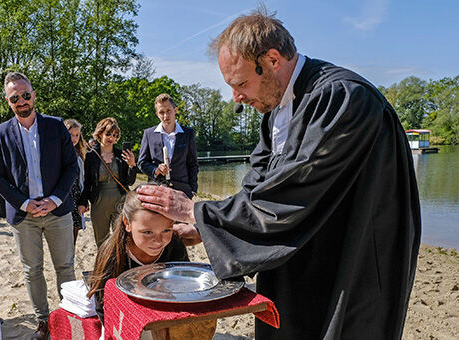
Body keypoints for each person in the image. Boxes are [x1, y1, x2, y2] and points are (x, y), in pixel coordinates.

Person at [137, 9, 420, 340]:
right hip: (299, 261)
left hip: (349, 260)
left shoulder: (341, 98)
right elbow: (258, 191)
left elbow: (292, 195)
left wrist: (194, 210)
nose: (237, 98)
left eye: (241, 83)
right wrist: (212, 225)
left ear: (272, 60)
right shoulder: (276, 114)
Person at [0, 71, 78, 340]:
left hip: (57, 210)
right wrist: (25, 204)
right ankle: (43, 321)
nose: (22, 101)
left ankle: (68, 316)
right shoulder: (0, 132)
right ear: (8, 101)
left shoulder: (55, 126)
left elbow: (71, 167)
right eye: (15, 98)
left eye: (26, 95)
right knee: (32, 270)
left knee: (65, 266)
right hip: (23, 215)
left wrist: (54, 199)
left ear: (33, 95)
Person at [87, 187, 189, 325]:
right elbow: (102, 303)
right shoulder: (112, 252)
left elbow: (185, 287)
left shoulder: (175, 246)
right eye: (147, 232)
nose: (158, 241)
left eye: (166, 230)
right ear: (127, 223)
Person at [78, 117, 137, 249]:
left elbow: (129, 181)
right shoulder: (91, 156)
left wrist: (132, 165)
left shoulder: (121, 155)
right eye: (108, 134)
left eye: (115, 135)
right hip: (99, 203)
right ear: (100, 134)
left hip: (121, 202)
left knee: (122, 239)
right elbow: (86, 182)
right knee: (101, 241)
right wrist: (83, 202)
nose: (112, 138)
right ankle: (104, 267)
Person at [138, 94, 199, 198]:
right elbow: (142, 163)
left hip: (182, 191)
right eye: (161, 112)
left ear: (175, 110)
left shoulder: (188, 133)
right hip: (156, 189)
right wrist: (155, 170)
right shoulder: (149, 134)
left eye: (168, 111)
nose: (165, 116)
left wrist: (193, 189)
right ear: (157, 114)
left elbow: (193, 164)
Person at [64, 119, 88, 245]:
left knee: (73, 239)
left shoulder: (79, 155)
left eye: (77, 135)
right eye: (71, 135)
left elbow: (83, 180)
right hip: (61, 199)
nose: (74, 138)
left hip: (76, 199)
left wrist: (83, 201)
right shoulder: (57, 154)